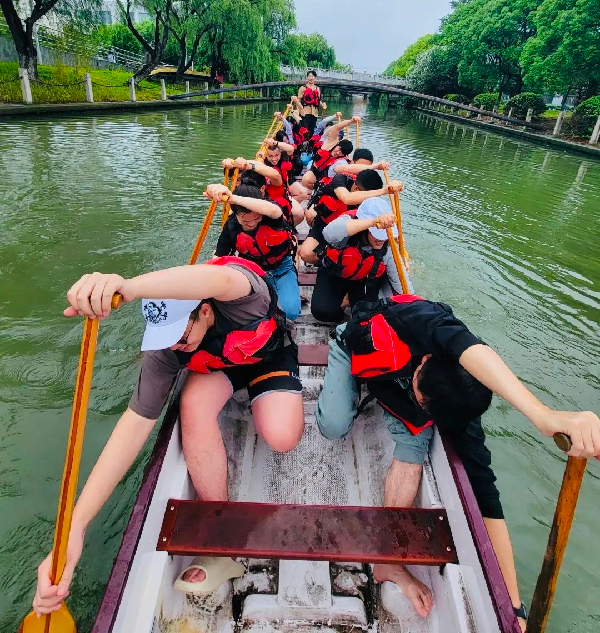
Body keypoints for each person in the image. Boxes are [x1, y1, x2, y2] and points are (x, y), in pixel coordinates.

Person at [32, 258, 304, 616]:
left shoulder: (244, 296)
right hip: (221, 368)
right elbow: (133, 426)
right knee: (191, 405)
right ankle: (219, 536)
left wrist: (127, 287)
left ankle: (263, 397)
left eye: (181, 336)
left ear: (204, 311)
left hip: (267, 356)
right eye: (166, 338)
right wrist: (76, 528)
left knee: (282, 437)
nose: (174, 347)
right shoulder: (167, 348)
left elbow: (220, 279)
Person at [316, 294, 600, 627]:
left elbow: (487, 498)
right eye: (418, 391)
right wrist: (542, 415)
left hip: (393, 385)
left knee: (416, 439)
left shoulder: (460, 409)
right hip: (357, 346)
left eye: (422, 402)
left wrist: (514, 608)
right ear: (425, 361)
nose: (417, 398)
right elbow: (470, 347)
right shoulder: (421, 322)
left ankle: (389, 563)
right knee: (334, 425)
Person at [212, 182, 301, 320]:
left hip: (283, 268)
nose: (252, 223)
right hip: (254, 274)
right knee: (256, 314)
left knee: (290, 313)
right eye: (245, 221)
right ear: (235, 214)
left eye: (256, 218)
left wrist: (232, 198)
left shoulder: (270, 216)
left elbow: (273, 210)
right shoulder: (231, 226)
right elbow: (218, 258)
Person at [311, 199, 403, 323]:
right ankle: (344, 310)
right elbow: (328, 233)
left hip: (364, 280)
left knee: (367, 318)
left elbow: (400, 283)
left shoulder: (388, 245)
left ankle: (351, 301)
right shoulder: (347, 228)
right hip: (335, 273)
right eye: (376, 233)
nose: (381, 239)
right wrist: (373, 222)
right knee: (322, 311)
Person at [296, 69, 325, 134]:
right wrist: (298, 113)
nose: (311, 78)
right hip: (305, 112)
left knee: (312, 130)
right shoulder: (303, 88)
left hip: (315, 113)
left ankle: (311, 139)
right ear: (307, 77)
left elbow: (318, 100)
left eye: (312, 76)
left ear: (315, 78)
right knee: (305, 130)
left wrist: (322, 105)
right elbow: (298, 101)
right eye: (309, 76)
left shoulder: (317, 89)